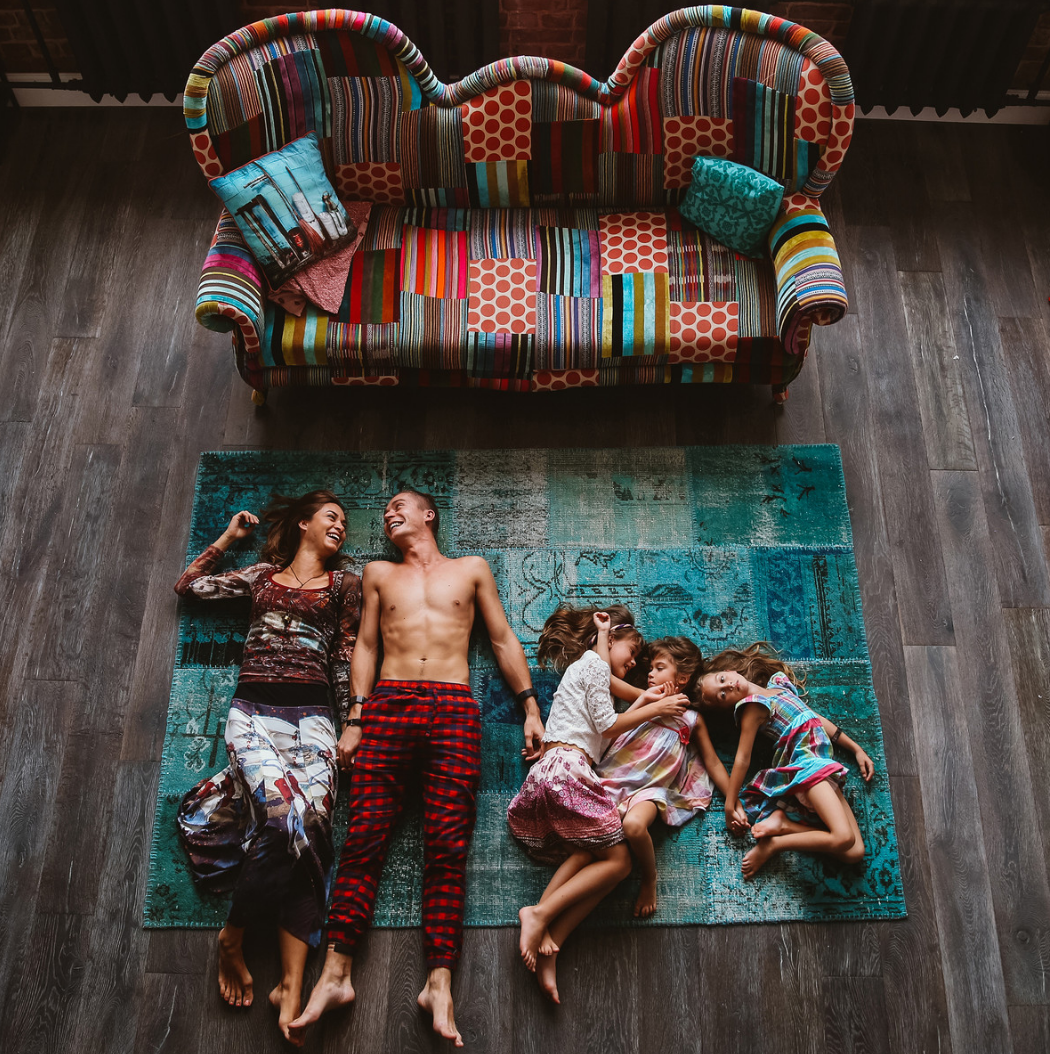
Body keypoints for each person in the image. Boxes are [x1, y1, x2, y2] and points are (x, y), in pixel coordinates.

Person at [289, 489, 544, 1048]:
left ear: (430, 515)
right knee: (364, 839)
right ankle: (335, 975)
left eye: (400, 505)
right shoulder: (378, 573)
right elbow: (365, 646)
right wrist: (355, 717)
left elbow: (501, 638)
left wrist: (530, 706)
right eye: (385, 511)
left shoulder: (472, 569)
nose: (389, 512)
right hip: (388, 703)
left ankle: (438, 984)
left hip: (454, 707)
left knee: (448, 846)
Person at [173, 490, 361, 1042]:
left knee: (314, 834)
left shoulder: (345, 585)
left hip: (315, 719)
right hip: (253, 713)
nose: (341, 526)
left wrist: (352, 723)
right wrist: (229, 538)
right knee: (283, 823)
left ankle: (291, 988)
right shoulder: (260, 577)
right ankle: (233, 935)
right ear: (303, 523)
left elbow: (346, 655)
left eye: (345, 522)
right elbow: (188, 587)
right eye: (331, 517)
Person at [507, 606, 688, 1003]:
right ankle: (539, 915)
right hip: (567, 773)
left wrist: (646, 701)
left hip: (561, 773)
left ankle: (551, 938)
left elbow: (610, 734)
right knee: (620, 863)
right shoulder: (591, 663)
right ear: (608, 640)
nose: (635, 663)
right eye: (633, 651)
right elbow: (607, 725)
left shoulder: (594, 676)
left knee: (598, 859)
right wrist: (656, 706)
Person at [699, 642, 875, 879]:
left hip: (824, 765)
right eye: (722, 695)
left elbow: (815, 719)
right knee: (843, 838)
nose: (728, 686)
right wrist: (730, 806)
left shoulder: (779, 685)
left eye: (722, 679)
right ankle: (774, 845)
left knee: (854, 852)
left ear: (729, 671)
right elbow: (742, 758)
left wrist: (856, 749)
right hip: (808, 767)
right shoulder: (753, 707)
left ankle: (784, 825)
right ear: (729, 706)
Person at [596, 636, 733, 918]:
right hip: (611, 779)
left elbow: (713, 761)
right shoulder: (645, 699)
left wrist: (734, 802)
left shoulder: (691, 719)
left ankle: (649, 878)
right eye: (651, 668)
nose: (650, 673)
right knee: (588, 847)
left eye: (659, 668)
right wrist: (648, 702)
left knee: (634, 826)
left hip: (650, 790)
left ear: (682, 679)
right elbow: (611, 718)